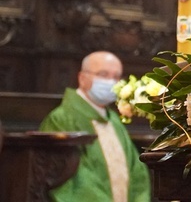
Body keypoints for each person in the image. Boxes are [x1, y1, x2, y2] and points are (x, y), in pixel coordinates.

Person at [40, 51, 151, 201]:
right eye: (103, 74)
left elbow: (136, 170)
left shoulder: (113, 120)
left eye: (116, 77)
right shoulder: (61, 119)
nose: (111, 82)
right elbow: (69, 177)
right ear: (82, 78)